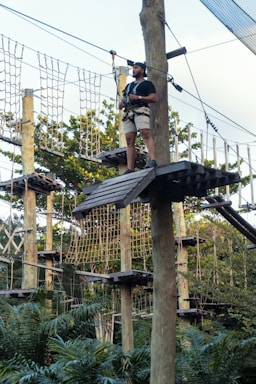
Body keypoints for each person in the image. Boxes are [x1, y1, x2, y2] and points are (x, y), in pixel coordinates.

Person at [119, 62, 157, 174]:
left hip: (140, 110)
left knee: (145, 133)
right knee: (129, 140)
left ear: (142, 70)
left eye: (136, 68)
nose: (133, 70)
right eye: (133, 68)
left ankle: (153, 159)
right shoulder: (128, 86)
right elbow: (124, 99)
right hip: (128, 112)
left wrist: (139, 97)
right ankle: (130, 168)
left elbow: (153, 98)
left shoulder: (147, 84)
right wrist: (122, 103)